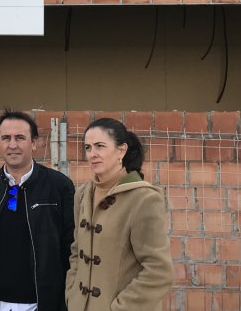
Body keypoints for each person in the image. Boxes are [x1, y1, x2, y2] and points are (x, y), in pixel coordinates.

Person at [0, 110, 74, 311]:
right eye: (6, 138)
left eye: (20, 138)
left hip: (41, 304)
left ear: (34, 143)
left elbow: (70, 249)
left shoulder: (59, 186)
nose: (12, 145)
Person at [65, 118, 173, 311]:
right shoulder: (82, 194)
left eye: (100, 146)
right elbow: (77, 251)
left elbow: (159, 271)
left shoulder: (143, 199)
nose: (92, 154)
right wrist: (72, 293)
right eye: (88, 148)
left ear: (121, 151)